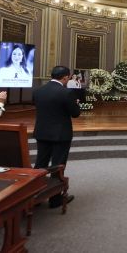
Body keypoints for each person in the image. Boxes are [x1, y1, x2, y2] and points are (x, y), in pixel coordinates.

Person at [33, 66, 81, 208]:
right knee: (58, 165)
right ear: (65, 77)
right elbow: (75, 113)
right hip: (61, 134)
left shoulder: (38, 91)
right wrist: (76, 105)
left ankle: (35, 195)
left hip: (42, 132)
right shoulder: (66, 93)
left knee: (40, 163)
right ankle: (55, 199)